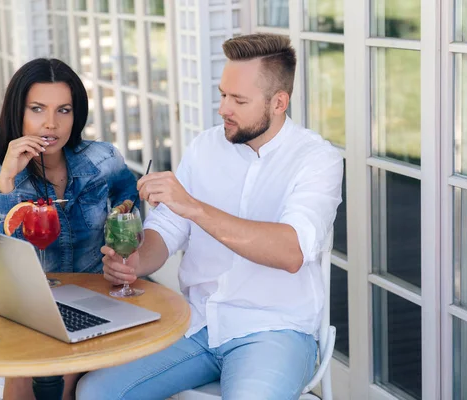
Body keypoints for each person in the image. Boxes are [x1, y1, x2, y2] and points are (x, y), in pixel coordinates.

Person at [76, 33, 343, 400]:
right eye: (222, 94)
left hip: (274, 330)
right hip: (196, 321)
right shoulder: (205, 147)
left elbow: (291, 251)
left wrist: (195, 207)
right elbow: (167, 229)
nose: (223, 109)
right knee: (96, 391)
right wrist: (136, 261)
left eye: (238, 100)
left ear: (279, 102)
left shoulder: (316, 160)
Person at [0, 58, 138, 400]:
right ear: (17, 112)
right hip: (33, 307)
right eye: (37, 109)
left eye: (64, 110)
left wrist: (123, 225)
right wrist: (8, 182)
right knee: (24, 373)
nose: (51, 124)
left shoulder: (102, 159)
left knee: (65, 367)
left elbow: (128, 192)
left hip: (101, 297)